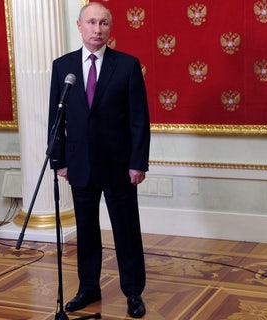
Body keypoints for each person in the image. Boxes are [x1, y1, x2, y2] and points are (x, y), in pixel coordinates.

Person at [48, 2, 150, 318]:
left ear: (110, 28)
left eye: (103, 23)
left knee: (126, 231)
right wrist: (59, 161)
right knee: (86, 231)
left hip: (119, 165)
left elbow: (139, 120)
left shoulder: (127, 65)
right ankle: (88, 288)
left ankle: (133, 292)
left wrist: (138, 163)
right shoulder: (62, 66)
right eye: (91, 22)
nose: (97, 29)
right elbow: (57, 118)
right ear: (79, 26)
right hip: (79, 165)